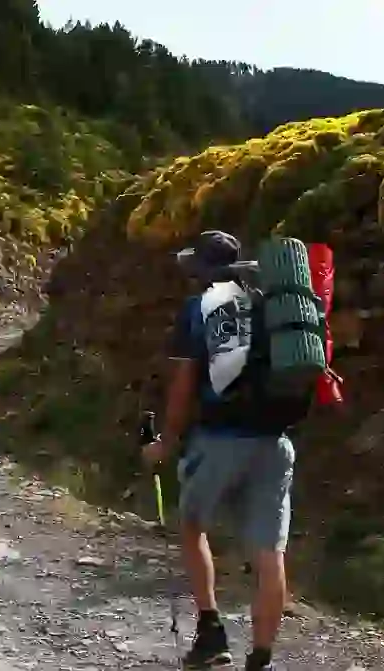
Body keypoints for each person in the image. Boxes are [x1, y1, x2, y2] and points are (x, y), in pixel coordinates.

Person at [141, 230, 294, 671]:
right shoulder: (272, 306)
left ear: (200, 271)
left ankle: (211, 633)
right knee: (269, 553)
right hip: (275, 441)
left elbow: (184, 385)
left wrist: (166, 443)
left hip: (221, 438)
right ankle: (261, 658)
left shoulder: (199, 309)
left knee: (191, 525)